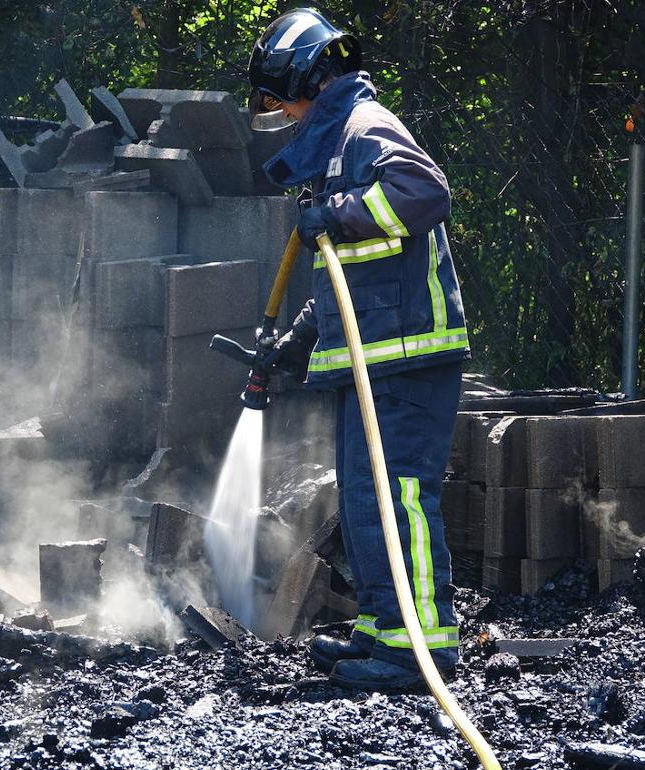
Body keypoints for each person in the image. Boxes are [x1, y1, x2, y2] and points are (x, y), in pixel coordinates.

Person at [247, 7, 471, 692]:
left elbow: (425, 192)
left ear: (310, 77)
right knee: (367, 498)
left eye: (282, 96)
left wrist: (335, 216)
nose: (281, 112)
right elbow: (352, 273)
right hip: (375, 353)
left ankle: (422, 650)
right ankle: (385, 628)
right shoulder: (341, 140)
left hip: (408, 352)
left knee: (397, 495)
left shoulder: (367, 128)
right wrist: (301, 339)